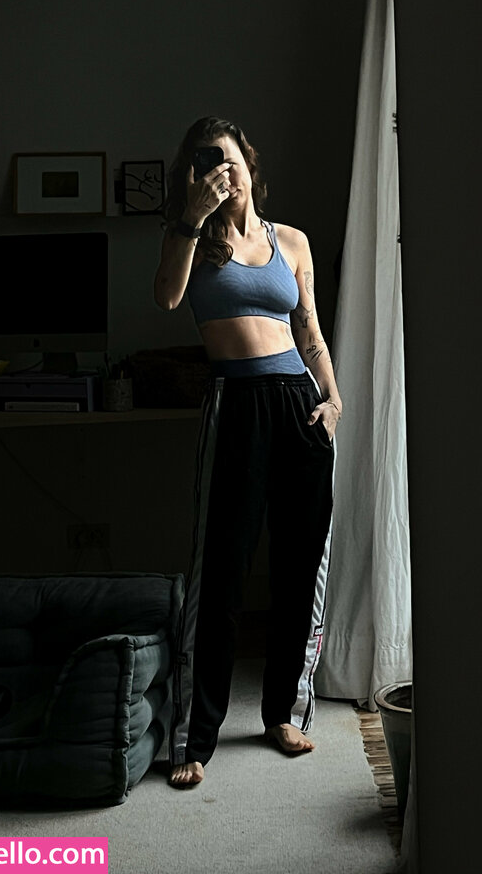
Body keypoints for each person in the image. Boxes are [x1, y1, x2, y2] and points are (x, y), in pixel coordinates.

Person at [154, 116, 341, 788]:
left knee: (301, 565)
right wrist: (189, 217)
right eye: (207, 163)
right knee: (222, 573)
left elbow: (309, 328)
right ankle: (194, 737)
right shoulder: (192, 239)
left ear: (249, 164)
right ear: (193, 175)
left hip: (300, 405)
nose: (221, 173)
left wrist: (334, 398)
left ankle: (284, 712)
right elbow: (167, 297)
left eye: (229, 160)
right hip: (235, 404)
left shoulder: (290, 240)